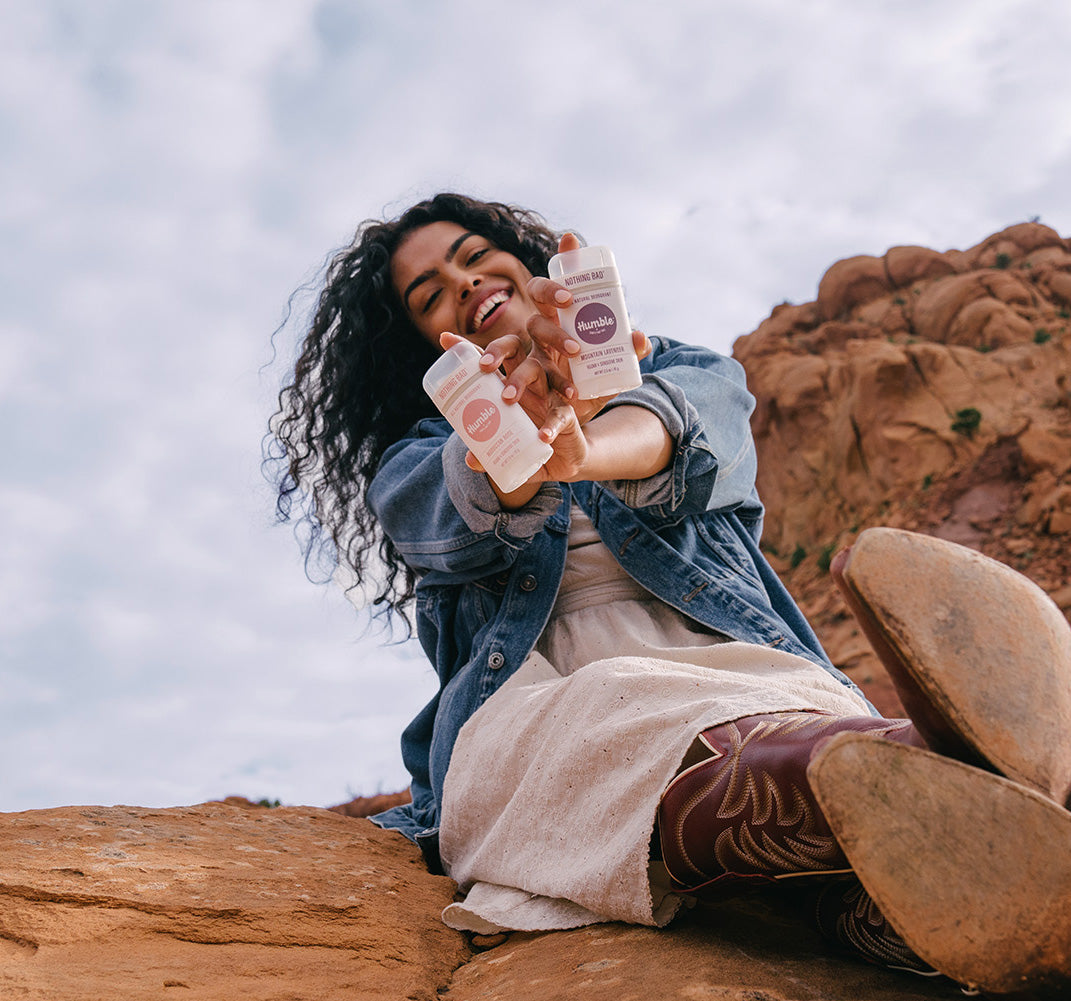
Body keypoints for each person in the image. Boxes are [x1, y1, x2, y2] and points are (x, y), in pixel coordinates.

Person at [270, 192, 1071, 995]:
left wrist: (579, 445)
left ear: (519, 258)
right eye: (429, 293)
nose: (462, 282)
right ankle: (934, 771)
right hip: (537, 703)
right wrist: (519, 432)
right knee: (627, 711)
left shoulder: (687, 371)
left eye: (473, 255)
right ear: (417, 341)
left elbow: (675, 434)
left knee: (847, 873)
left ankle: (941, 863)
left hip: (735, 667)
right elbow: (474, 502)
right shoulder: (413, 462)